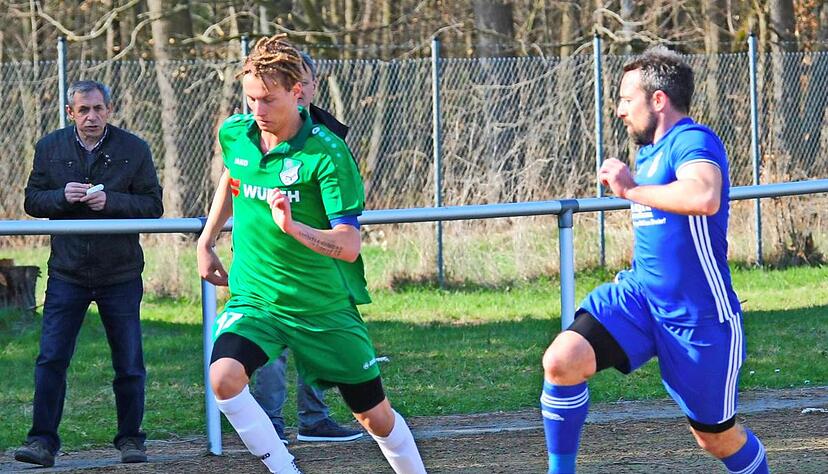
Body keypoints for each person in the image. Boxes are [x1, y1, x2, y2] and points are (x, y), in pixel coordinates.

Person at [197, 34, 426, 474]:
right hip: (256, 299)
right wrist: (206, 240)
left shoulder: (327, 153)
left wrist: (293, 227)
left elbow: (348, 244)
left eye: (267, 100)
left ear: (297, 93)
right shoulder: (237, 134)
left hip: (321, 306)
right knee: (224, 379)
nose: (257, 112)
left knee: (374, 416)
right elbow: (233, 176)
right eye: (250, 100)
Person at [539, 47, 769, 474]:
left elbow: (703, 196)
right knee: (561, 360)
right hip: (640, 298)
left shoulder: (693, 140)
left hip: (699, 318)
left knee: (715, 439)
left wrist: (629, 190)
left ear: (658, 99)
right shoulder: (647, 153)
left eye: (627, 99)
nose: (620, 111)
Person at [16, 80, 164, 467]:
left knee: (129, 363)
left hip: (120, 273)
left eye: (98, 109)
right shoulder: (50, 147)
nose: (91, 117)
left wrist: (110, 201)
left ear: (109, 110)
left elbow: (153, 205)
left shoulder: (134, 149)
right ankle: (42, 442)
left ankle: (132, 440)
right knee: (51, 359)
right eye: (83, 110)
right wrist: (61, 197)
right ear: (71, 113)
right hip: (67, 272)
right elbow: (32, 200)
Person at [251, 51, 363, 444]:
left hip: (320, 261)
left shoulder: (328, 136)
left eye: (306, 83)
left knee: (318, 339)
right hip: (273, 263)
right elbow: (235, 175)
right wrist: (208, 238)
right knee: (271, 344)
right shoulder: (253, 132)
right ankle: (270, 424)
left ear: (308, 87)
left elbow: (341, 208)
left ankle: (314, 417)